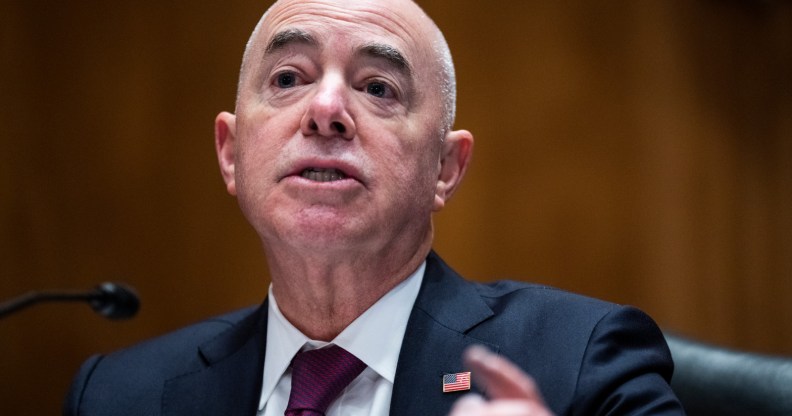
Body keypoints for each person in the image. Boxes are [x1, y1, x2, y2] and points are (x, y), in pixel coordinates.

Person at [63, 0, 685, 415]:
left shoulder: (581, 361)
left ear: (445, 168)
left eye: (377, 88)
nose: (326, 109)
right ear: (231, 153)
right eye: (288, 79)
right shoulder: (118, 396)